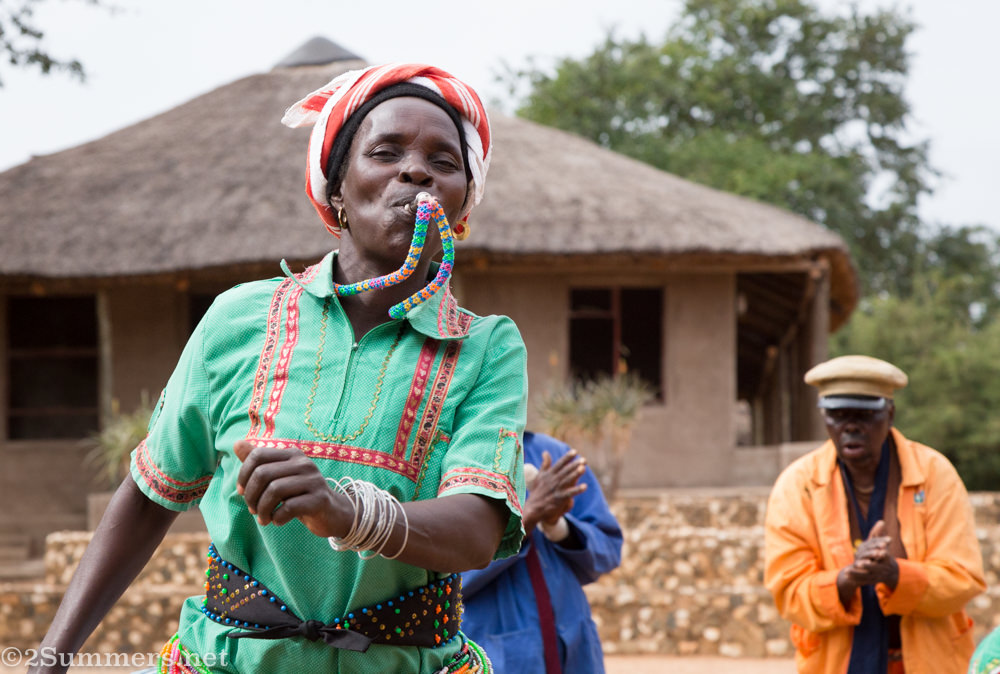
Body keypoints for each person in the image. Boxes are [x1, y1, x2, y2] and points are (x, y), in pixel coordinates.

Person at [30, 63, 528, 674]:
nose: (417, 170)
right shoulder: (239, 318)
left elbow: (477, 531)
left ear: (460, 205)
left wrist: (345, 513)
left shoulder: (486, 348)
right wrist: (48, 659)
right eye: (386, 151)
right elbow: (149, 494)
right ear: (336, 188)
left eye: (444, 162)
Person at [764, 355, 985, 674]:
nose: (850, 427)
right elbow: (789, 592)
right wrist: (847, 579)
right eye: (838, 416)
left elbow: (964, 578)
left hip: (927, 663)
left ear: (890, 414)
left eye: (865, 415)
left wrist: (895, 574)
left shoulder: (935, 474)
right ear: (824, 419)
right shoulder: (798, 485)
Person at [460, 431, 623, 673]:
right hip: (495, 654)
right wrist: (529, 516)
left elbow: (608, 550)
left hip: (576, 652)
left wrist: (557, 526)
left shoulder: (559, 458)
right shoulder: (455, 461)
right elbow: (450, 576)